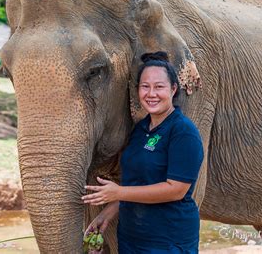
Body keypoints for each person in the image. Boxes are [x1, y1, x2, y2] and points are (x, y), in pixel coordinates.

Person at [82, 51, 204, 253]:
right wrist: (108, 212)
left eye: (159, 87)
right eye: (145, 87)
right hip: (132, 238)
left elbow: (176, 190)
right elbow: (138, 183)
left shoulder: (183, 132)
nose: (151, 94)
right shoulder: (141, 129)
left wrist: (118, 192)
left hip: (168, 241)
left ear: (173, 89)